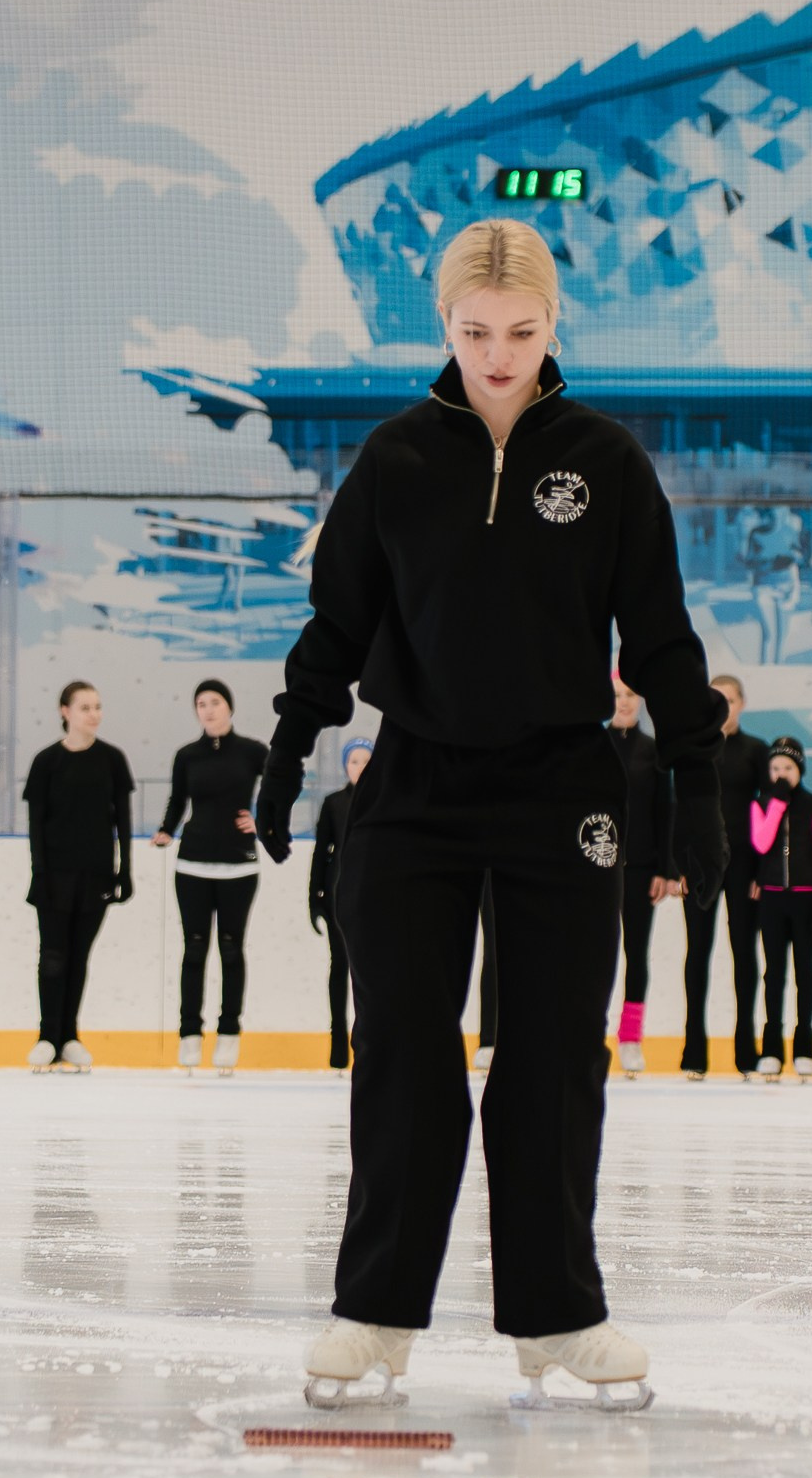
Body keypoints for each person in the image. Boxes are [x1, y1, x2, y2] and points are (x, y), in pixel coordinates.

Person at [252, 213, 727, 1412]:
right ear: (444, 327)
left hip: (562, 785)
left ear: (551, 325)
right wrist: (286, 745)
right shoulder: (397, 459)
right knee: (404, 1050)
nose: (498, 353)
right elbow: (336, 625)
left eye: (520, 332)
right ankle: (374, 1314)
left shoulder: (606, 461)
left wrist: (694, 781)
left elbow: (660, 638)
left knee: (555, 1055)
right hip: (413, 786)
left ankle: (557, 1317)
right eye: (475, 332)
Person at [155, 678, 268, 1077]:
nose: (208, 709)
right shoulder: (187, 755)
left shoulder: (253, 752)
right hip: (193, 864)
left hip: (240, 864)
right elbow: (177, 799)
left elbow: (281, 787)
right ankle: (189, 1036)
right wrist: (167, 829)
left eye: (215, 702)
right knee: (195, 949)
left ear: (229, 707)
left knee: (232, 949)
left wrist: (264, 820)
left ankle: (229, 1036)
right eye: (200, 703)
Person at [23, 681, 133, 1072]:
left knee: (78, 956)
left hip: (97, 876)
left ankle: (69, 1036)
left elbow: (122, 819)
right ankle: (47, 1036)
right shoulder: (46, 762)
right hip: (54, 876)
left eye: (98, 706)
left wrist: (126, 872)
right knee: (52, 956)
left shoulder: (112, 760)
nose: (94, 714)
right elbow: (37, 826)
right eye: (85, 707)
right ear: (65, 711)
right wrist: (40, 874)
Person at [681, 671, 766, 1079]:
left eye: (730, 700)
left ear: (742, 704)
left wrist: (763, 872)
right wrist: (679, 865)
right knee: (697, 952)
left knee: (744, 955)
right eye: (716, 699)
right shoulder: (693, 750)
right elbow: (679, 808)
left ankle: (746, 1054)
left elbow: (771, 817)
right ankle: (694, 1053)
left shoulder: (755, 751)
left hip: (744, 866)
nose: (723, 707)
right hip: (699, 864)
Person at [748, 734, 812, 1080]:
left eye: (788, 767)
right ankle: (772, 1048)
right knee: (774, 974)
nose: (781, 774)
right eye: (775, 768)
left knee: (805, 975)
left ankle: (804, 1048)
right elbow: (761, 841)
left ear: (800, 768)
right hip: (772, 898)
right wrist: (777, 804)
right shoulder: (761, 805)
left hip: (805, 899)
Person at [606, 673, 676, 1079]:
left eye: (631, 694)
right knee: (595, 956)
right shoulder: (594, 747)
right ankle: (588, 1032)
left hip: (641, 869)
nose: (624, 702)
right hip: (597, 871)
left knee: (636, 953)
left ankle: (630, 1039)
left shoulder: (654, 752)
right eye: (617, 695)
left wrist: (666, 869)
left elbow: (665, 812)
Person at [307, 736, 371, 1070]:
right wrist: (314, 897)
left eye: (366, 760)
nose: (360, 767)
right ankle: (337, 1048)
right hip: (338, 895)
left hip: (374, 898)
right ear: (345, 765)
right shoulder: (333, 804)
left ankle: (366, 1043)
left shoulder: (384, 802)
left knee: (369, 973)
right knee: (340, 966)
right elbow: (321, 853)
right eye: (354, 761)